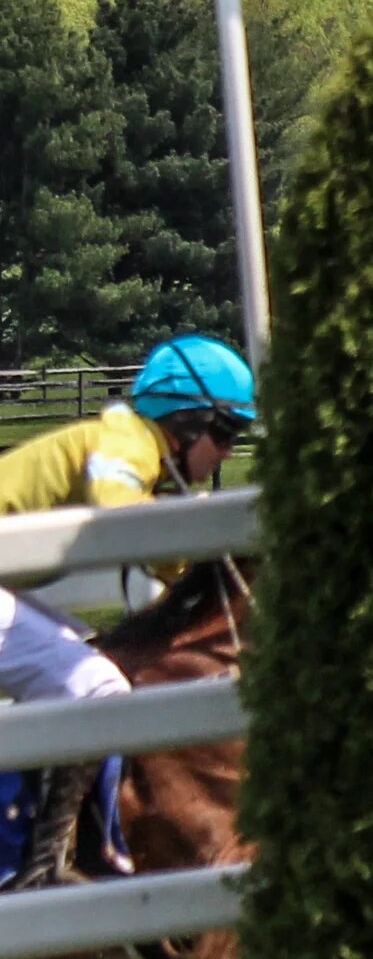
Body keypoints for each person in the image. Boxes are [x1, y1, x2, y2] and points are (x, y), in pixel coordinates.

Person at [0, 334, 257, 889]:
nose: (229, 453)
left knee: (88, 659)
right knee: (96, 689)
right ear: (188, 420)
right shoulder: (127, 441)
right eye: (225, 432)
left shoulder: (132, 444)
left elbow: (162, 568)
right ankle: (40, 870)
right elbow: (124, 520)